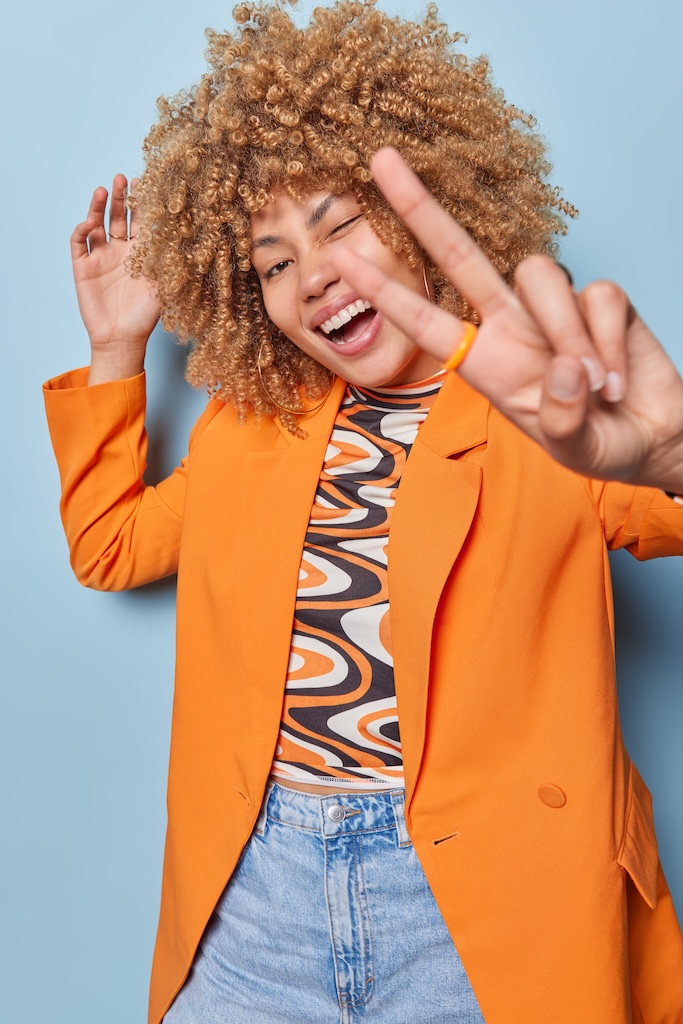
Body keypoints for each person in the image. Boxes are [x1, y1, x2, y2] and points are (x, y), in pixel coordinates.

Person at [44, 2, 682, 1022]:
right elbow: (109, 547)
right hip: (258, 898)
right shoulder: (249, 432)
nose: (315, 273)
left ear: (426, 209)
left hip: (486, 906)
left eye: (338, 221)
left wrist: (668, 453)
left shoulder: (551, 416)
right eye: (273, 261)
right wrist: (118, 349)